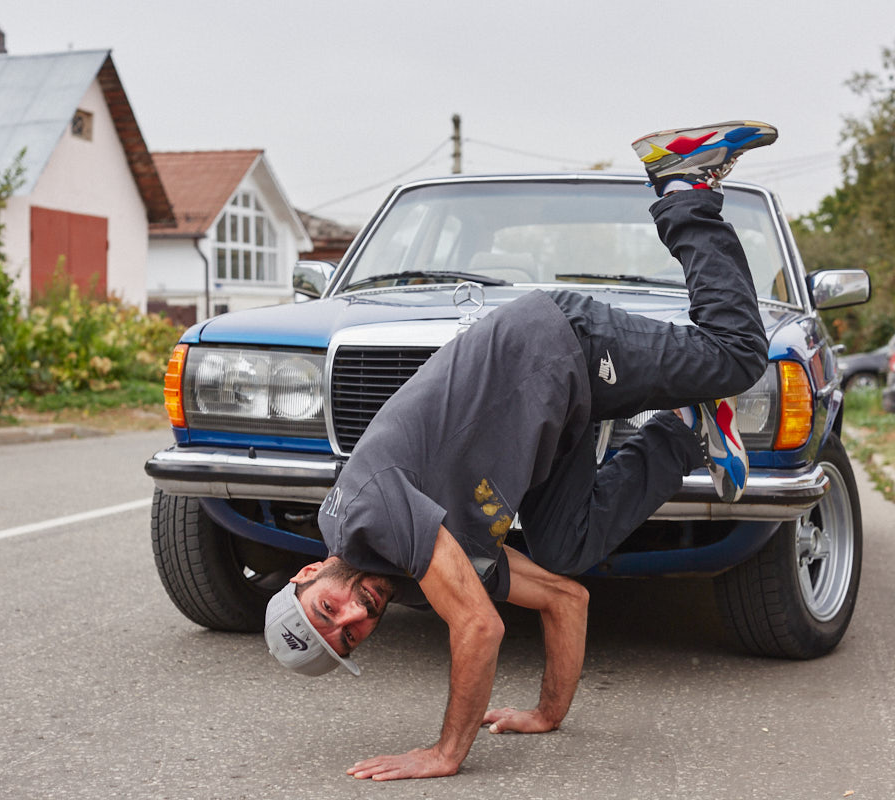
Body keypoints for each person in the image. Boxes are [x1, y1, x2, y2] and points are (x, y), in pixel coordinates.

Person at [263, 120, 776, 781]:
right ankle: (683, 424)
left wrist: (445, 754)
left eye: (331, 612)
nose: (358, 614)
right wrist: (545, 713)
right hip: (554, 412)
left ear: (309, 575)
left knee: (735, 355)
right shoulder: (406, 569)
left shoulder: (368, 518)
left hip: (555, 347)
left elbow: (480, 628)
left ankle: (681, 183)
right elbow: (565, 600)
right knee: (565, 552)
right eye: (351, 636)